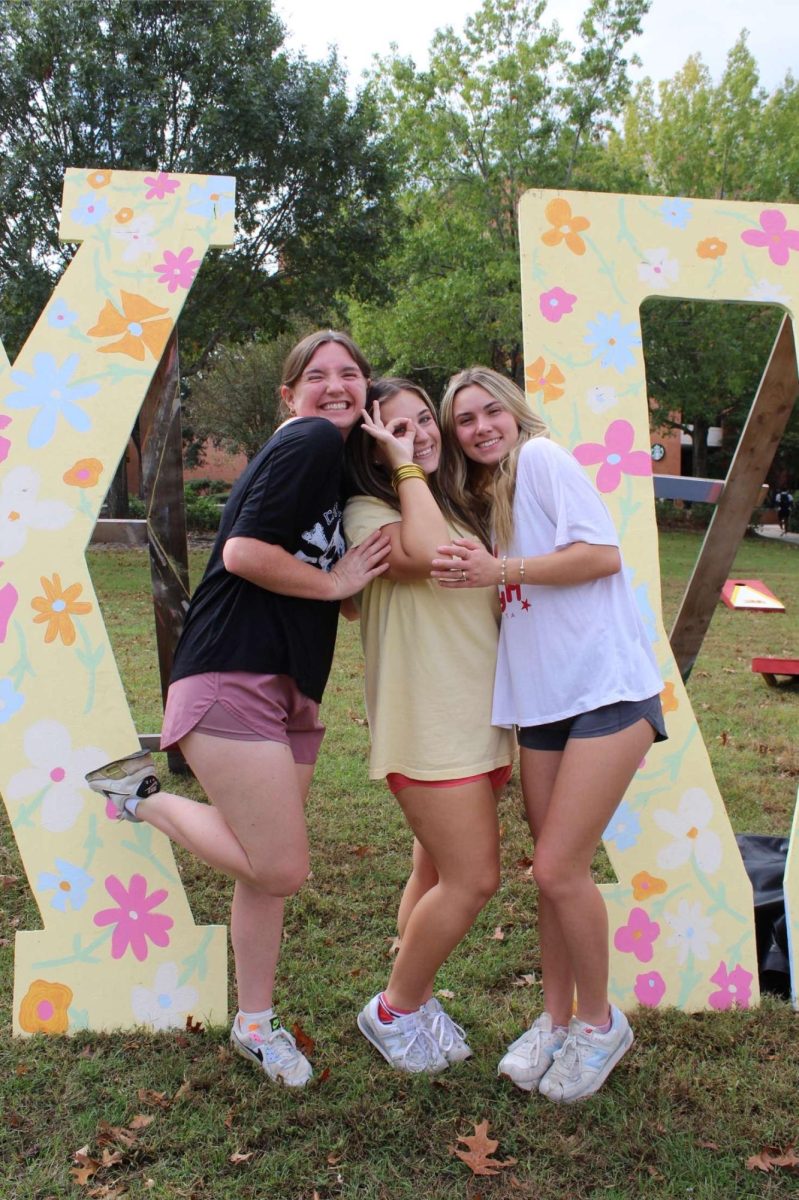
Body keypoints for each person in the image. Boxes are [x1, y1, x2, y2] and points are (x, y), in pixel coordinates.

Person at [85, 330, 390, 1088]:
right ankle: (141, 795)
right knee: (281, 866)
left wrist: (341, 578)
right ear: (288, 397)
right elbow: (243, 555)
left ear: (367, 388)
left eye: (348, 373)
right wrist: (338, 581)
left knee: (261, 873)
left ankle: (254, 1022)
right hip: (233, 672)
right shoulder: (310, 439)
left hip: (289, 685)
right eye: (313, 374)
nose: (334, 384)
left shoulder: (329, 466)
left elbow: (319, 582)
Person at [431, 367, 666, 1103]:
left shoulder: (541, 458)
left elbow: (600, 555)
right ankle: (555, 1019)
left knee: (559, 870)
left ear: (513, 411)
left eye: (487, 410)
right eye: (463, 420)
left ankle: (598, 1025)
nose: (479, 427)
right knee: (552, 878)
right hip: (541, 706)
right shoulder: (486, 500)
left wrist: (500, 569)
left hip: (605, 692)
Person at [342, 378, 515, 1074]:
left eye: (423, 419)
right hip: (427, 726)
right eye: (397, 427)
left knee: (436, 865)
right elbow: (426, 558)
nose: (421, 433)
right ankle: (393, 1009)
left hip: (481, 718)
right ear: (372, 445)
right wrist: (404, 464)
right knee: (472, 879)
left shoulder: (454, 507)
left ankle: (413, 989)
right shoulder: (365, 510)